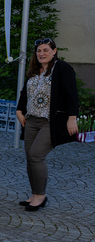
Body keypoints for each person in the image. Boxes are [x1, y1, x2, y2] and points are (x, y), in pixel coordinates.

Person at [15, 38, 80, 211]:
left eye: (45, 50)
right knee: (30, 157)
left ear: (54, 51)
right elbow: (25, 92)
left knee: (36, 155)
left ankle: (41, 196)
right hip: (31, 120)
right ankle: (35, 194)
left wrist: (72, 117)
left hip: (50, 122)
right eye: (39, 51)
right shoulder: (34, 70)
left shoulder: (62, 68)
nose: (41, 54)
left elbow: (71, 94)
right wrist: (19, 110)